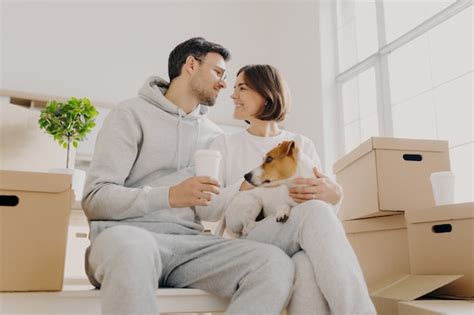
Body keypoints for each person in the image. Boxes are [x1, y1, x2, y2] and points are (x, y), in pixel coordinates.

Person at [81, 38, 295, 315]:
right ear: (191, 65)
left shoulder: (216, 136)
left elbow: (213, 208)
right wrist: (169, 196)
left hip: (191, 246)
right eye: (218, 72)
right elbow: (95, 199)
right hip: (126, 238)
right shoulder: (130, 114)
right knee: (133, 249)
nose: (223, 84)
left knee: (274, 264)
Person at [196, 64, 376, 314]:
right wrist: (249, 182)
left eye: (242, 88)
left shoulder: (301, 144)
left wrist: (334, 196)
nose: (233, 95)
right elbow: (209, 210)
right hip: (248, 237)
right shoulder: (224, 143)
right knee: (313, 217)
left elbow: (321, 214)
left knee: (305, 264)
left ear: (266, 93)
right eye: (234, 88)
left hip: (293, 231)